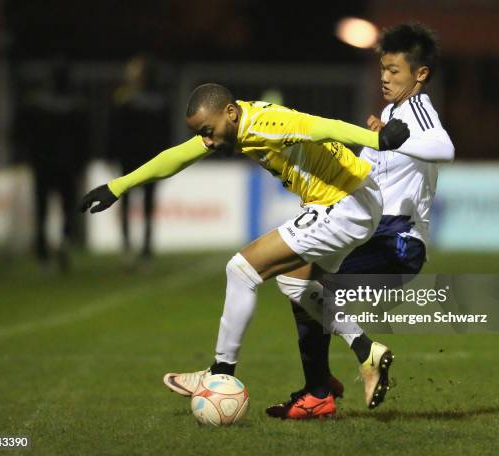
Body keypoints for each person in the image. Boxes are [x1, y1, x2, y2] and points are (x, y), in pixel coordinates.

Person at [80, 83, 410, 418]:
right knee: (295, 285)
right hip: (353, 199)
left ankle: (220, 372)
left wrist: (378, 141)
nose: (207, 142)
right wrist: (117, 186)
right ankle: (362, 355)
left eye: (208, 132)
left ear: (230, 113)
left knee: (241, 269)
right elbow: (177, 156)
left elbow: (322, 126)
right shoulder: (235, 124)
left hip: (345, 203)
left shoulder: (265, 124)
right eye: (201, 135)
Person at [265, 22, 455, 419]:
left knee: (310, 286)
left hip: (398, 239)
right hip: (371, 231)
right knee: (301, 282)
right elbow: (365, 171)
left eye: (394, 71)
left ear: (420, 75)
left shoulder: (417, 109)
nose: (384, 78)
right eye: (382, 69)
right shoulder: (390, 113)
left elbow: (445, 148)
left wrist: (394, 138)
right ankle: (319, 388)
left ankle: (336, 375)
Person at [14, 60, 89, 271]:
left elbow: (23, 134)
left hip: (43, 164)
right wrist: (81, 163)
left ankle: (42, 251)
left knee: (42, 209)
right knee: (67, 208)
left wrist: (27, 156)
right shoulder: (76, 107)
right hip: (67, 165)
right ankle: (63, 244)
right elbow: (84, 139)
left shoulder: (37, 105)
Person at [108, 55, 170, 262]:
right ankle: (145, 245)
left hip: (131, 156)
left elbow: (115, 130)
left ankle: (129, 243)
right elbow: (165, 133)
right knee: (148, 201)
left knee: (127, 197)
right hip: (151, 158)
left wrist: (112, 153)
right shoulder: (160, 100)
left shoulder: (125, 99)